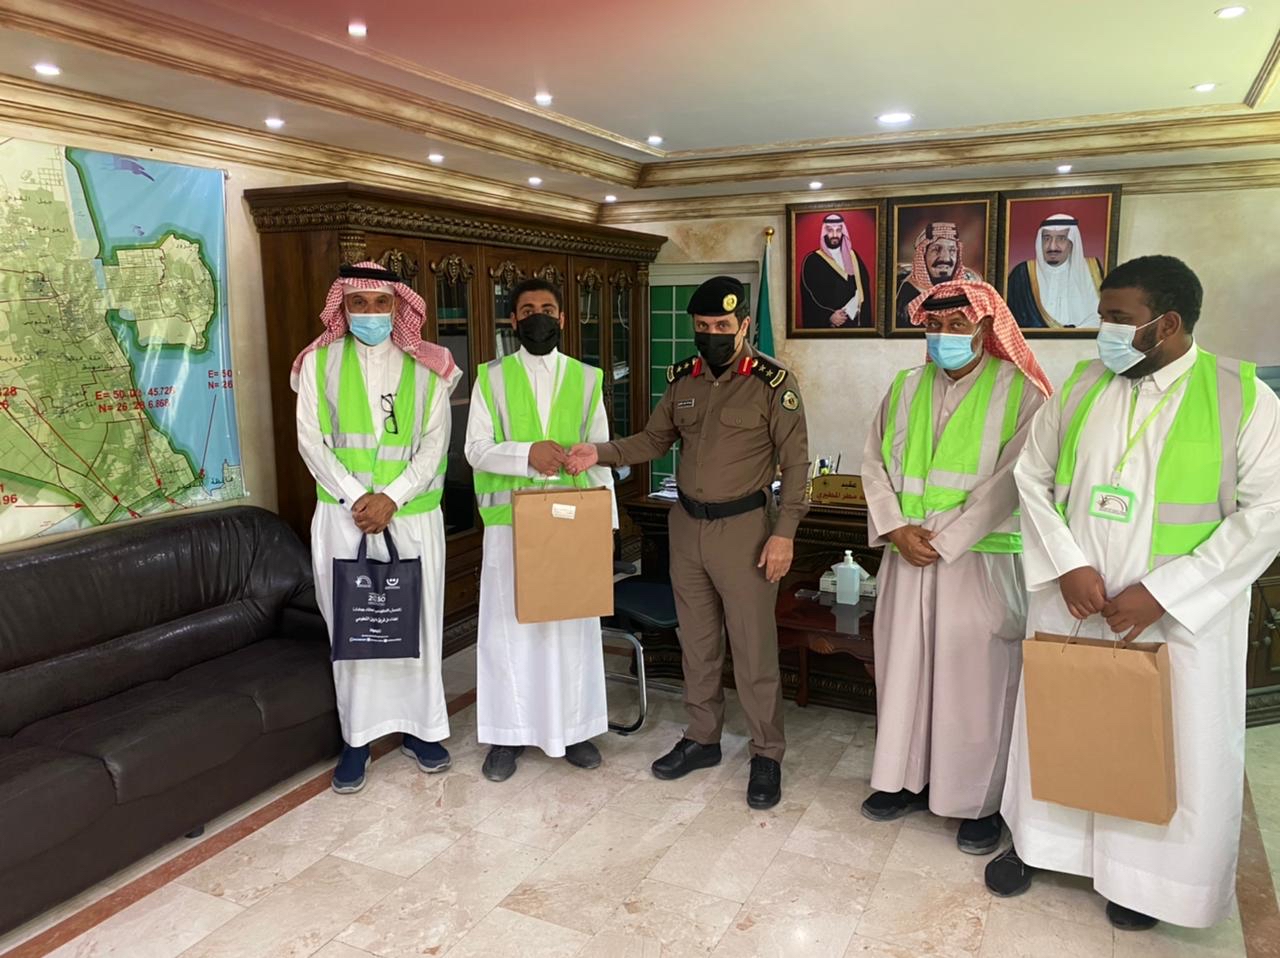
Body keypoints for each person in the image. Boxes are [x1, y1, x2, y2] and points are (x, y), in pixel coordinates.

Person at [990, 255, 1280, 931]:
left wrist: (1164, 594)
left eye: (1117, 318)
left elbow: (1267, 514)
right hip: (1075, 604)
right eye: (1102, 316)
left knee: (1165, 745)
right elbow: (1032, 476)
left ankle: (1145, 881)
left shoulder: (1243, 397)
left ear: (1167, 323)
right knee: (1062, 725)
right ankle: (1041, 847)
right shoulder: (1082, 385)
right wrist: (1066, 565)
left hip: (1176, 620)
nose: (1103, 331)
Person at [566, 276, 809, 809]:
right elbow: (654, 440)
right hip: (687, 527)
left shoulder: (773, 383)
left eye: (722, 325)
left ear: (744, 325)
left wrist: (784, 533)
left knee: (753, 650)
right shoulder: (684, 380)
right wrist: (598, 452)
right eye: (702, 326)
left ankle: (767, 753)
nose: (712, 334)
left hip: (746, 532)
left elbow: (796, 466)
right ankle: (702, 738)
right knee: (697, 645)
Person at [860, 280, 1052, 853]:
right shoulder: (905, 386)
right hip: (907, 555)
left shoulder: (1023, 393)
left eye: (956, 325)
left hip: (979, 562)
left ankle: (978, 803)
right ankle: (903, 781)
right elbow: (873, 464)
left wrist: (948, 539)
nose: (943, 335)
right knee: (905, 671)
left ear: (986, 328)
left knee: (975, 683)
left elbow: (1016, 478)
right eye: (934, 325)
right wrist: (895, 528)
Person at [293, 261, 462, 794]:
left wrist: (392, 497)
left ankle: (422, 730)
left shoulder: (431, 366)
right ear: (342, 308)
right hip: (343, 519)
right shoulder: (318, 363)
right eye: (358, 303)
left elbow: (436, 444)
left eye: (380, 303)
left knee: (417, 625)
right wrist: (356, 496)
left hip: (412, 516)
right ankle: (357, 740)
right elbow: (310, 440)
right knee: (353, 628)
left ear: (397, 307)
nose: (370, 313)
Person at [464, 278, 616, 782]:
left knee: (571, 626)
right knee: (509, 630)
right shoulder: (490, 378)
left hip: (573, 523)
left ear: (563, 319)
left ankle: (575, 729)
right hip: (510, 525)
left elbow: (600, 454)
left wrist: (606, 526)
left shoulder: (587, 379)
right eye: (527, 310)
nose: (538, 317)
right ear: (513, 321)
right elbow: (475, 450)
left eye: (548, 309)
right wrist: (526, 454)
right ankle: (507, 735)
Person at [1006, 213, 1103, 329]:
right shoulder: (1022, 274)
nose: (1052, 247)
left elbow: (1099, 317)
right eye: (1046, 239)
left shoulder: (1090, 271)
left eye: (1061, 239)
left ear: (1072, 242)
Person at [800, 213, 873, 328]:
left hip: (853, 325)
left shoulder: (853, 256)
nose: (835, 235)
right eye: (830, 230)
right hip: (828, 327)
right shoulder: (812, 260)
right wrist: (829, 316)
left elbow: (863, 288)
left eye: (838, 230)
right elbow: (809, 296)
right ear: (824, 232)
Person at [894, 222, 970, 329]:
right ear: (923, 255)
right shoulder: (907, 294)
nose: (945, 258)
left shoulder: (968, 290)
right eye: (936, 249)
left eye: (952, 250)